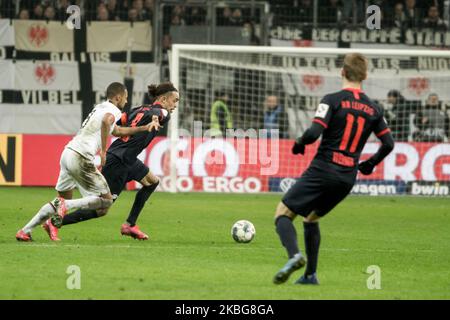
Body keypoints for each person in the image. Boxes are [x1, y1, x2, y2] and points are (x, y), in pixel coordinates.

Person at [272, 53, 395, 285]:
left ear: (342, 72)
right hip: (347, 177)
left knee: (283, 214)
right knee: (310, 219)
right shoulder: (374, 108)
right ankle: (310, 275)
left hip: (323, 169)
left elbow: (313, 134)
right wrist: (370, 164)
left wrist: (299, 143)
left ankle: (295, 255)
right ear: (365, 76)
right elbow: (389, 144)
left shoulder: (332, 99)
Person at [16, 82, 158, 241]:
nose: (126, 102)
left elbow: (117, 130)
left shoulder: (100, 107)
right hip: (81, 156)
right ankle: (66, 207)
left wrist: (143, 128)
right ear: (118, 97)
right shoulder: (113, 110)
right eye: (125, 98)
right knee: (106, 200)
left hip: (68, 153)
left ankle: (25, 230)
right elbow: (107, 121)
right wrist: (104, 150)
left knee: (60, 200)